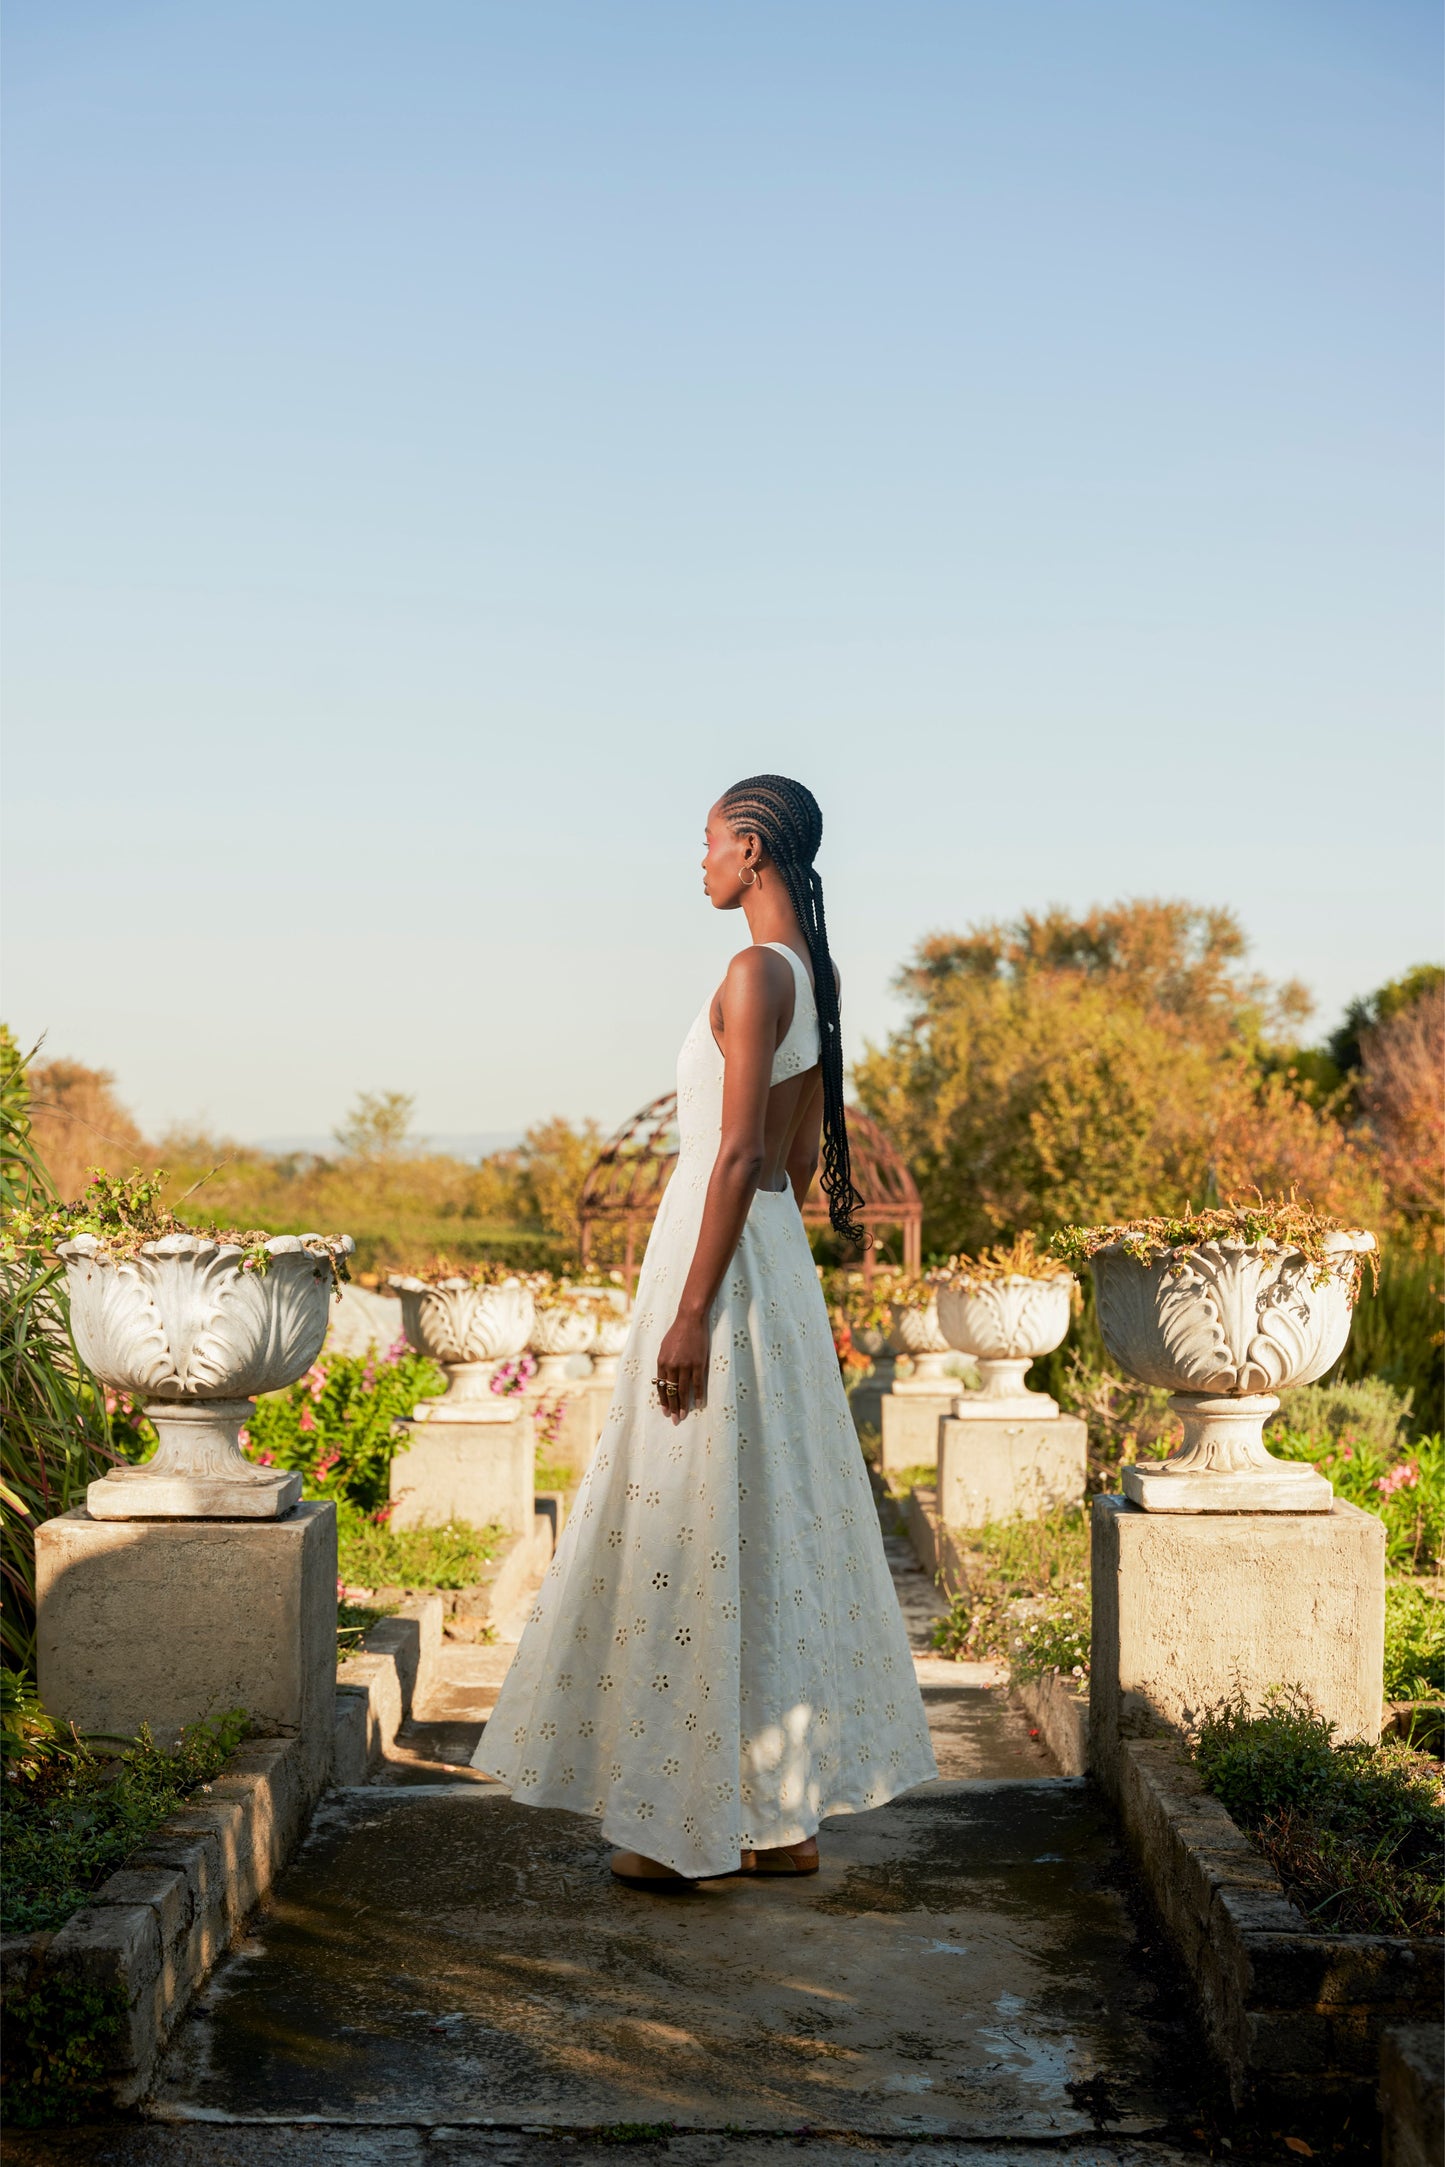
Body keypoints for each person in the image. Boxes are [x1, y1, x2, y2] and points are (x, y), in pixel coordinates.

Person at [472, 774, 936, 1880]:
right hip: (768, 1258)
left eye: (707, 843)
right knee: (760, 1515)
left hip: (718, 1267)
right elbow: (790, 1158)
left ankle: (679, 1833)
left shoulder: (747, 970)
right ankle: (780, 1819)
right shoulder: (810, 975)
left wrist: (688, 1310)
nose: (699, 863)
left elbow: (730, 1153)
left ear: (751, 849)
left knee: (689, 1518)